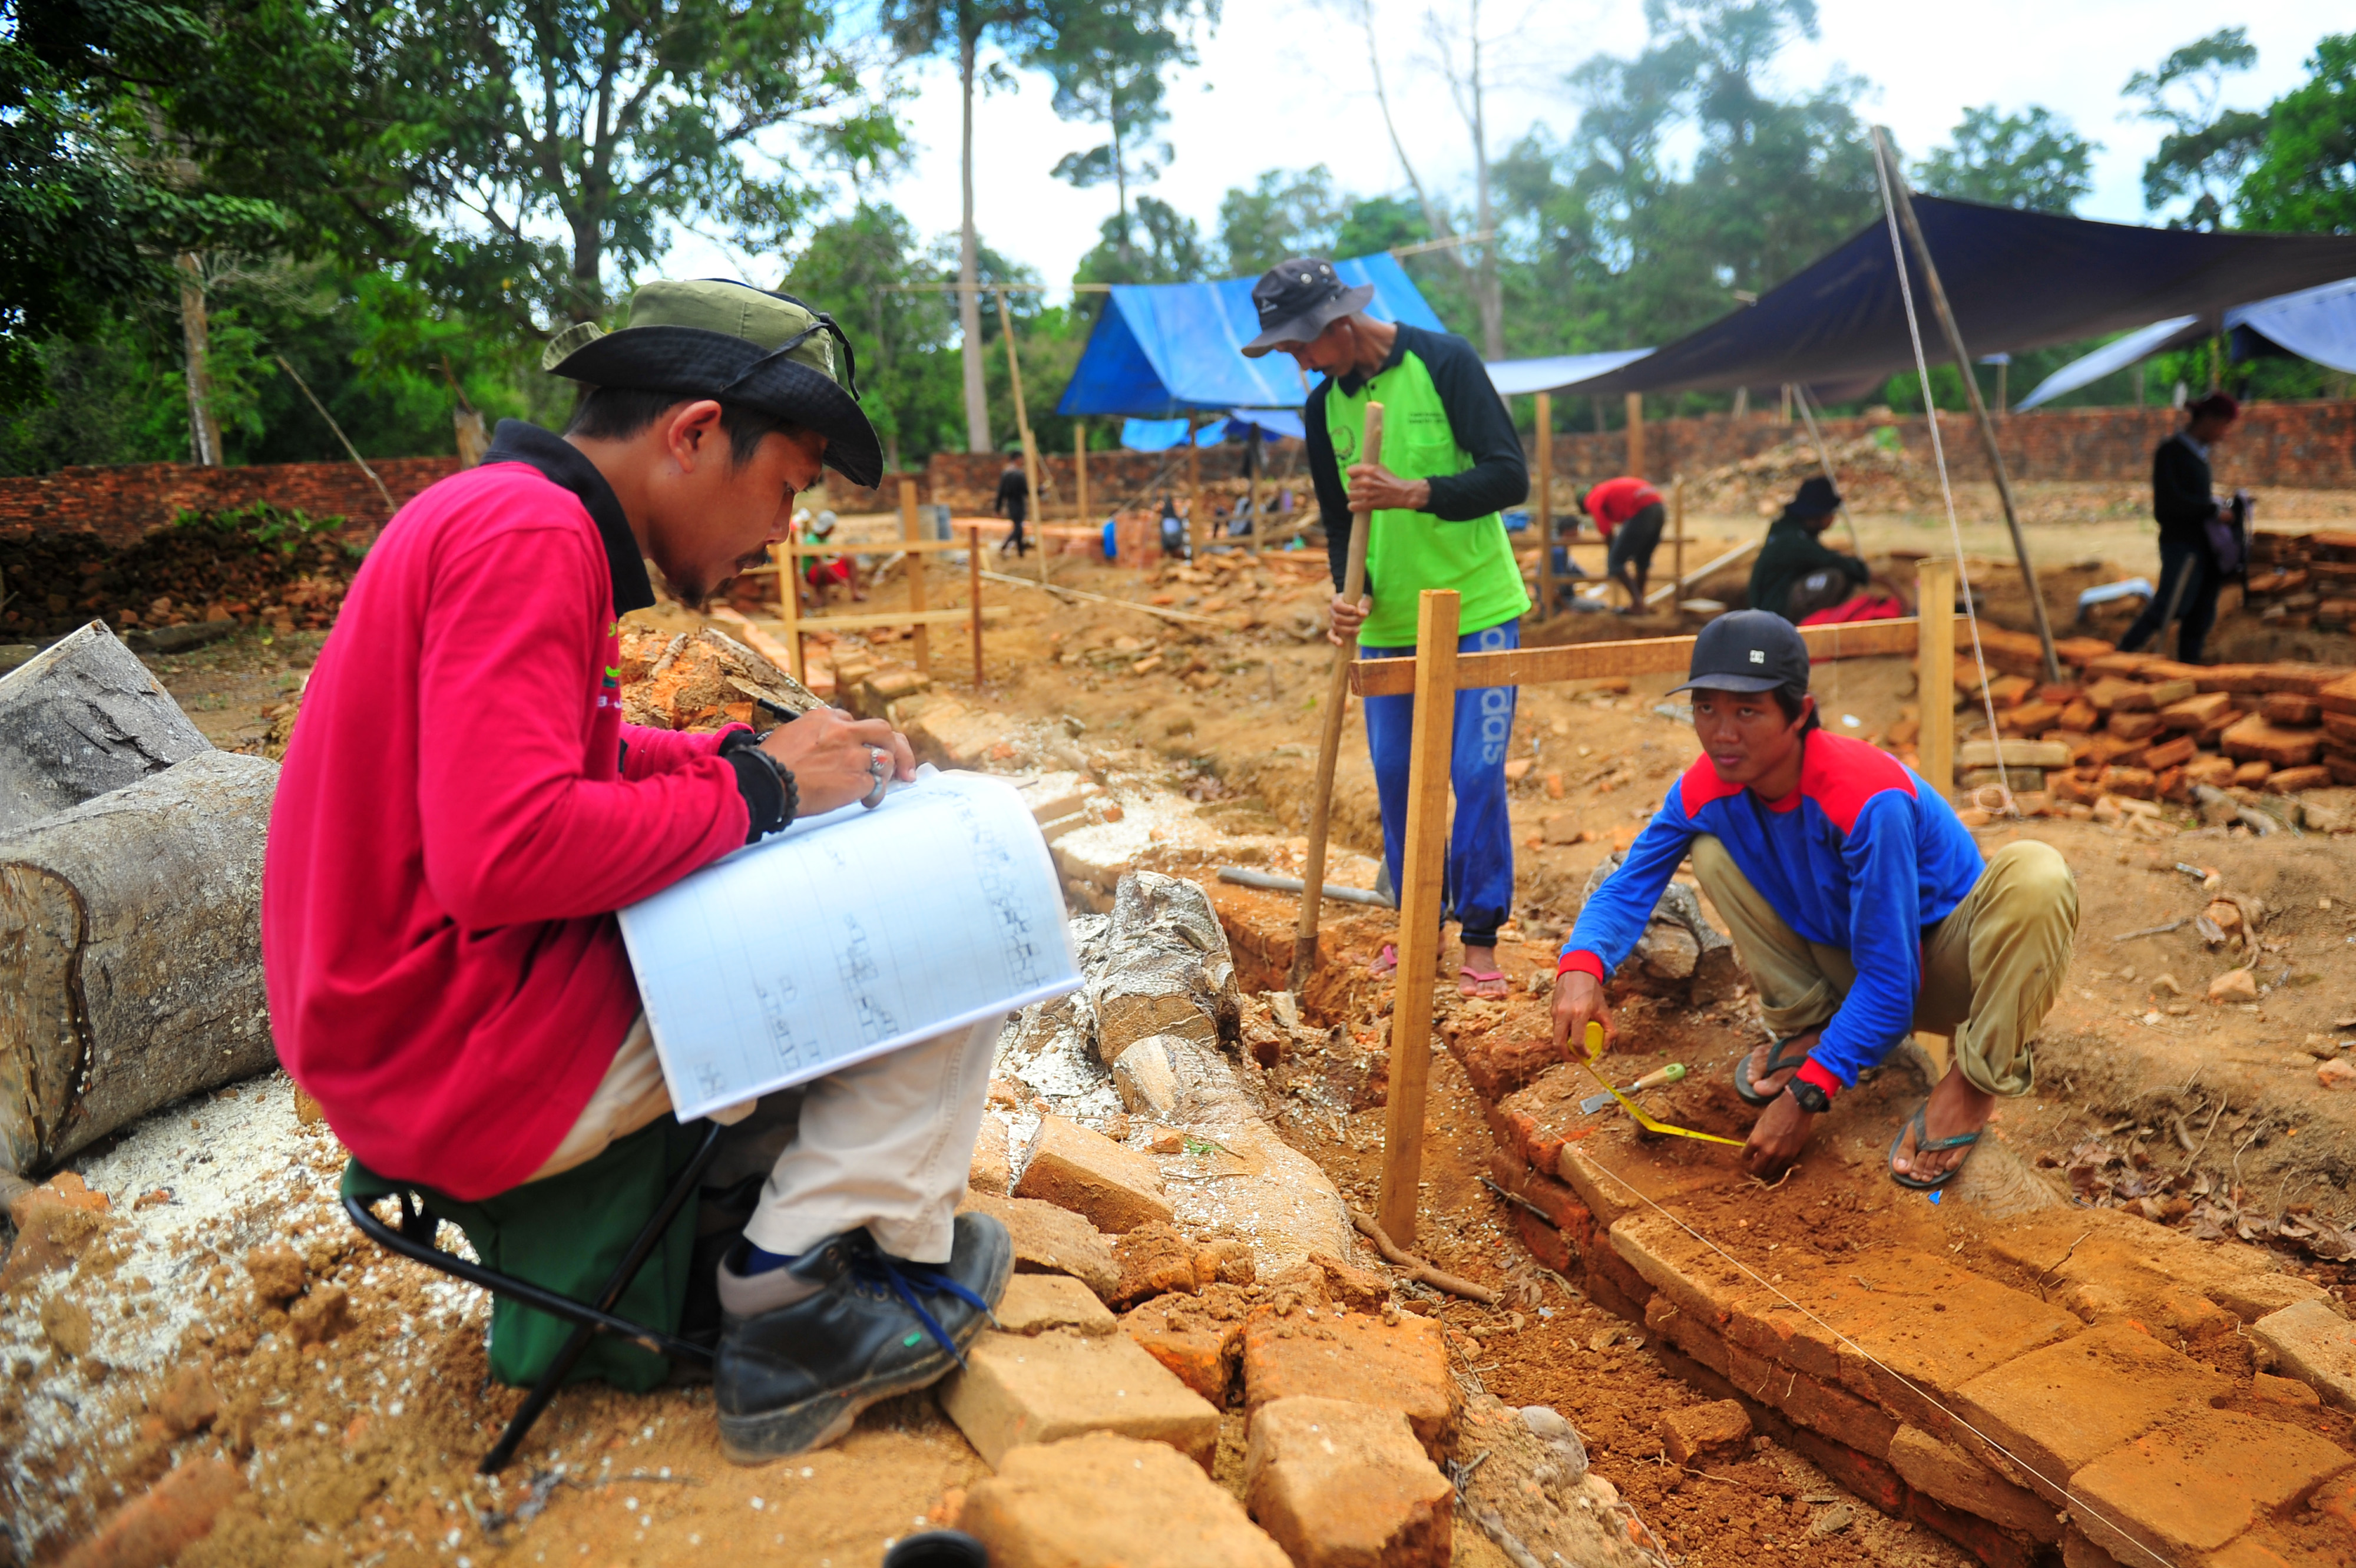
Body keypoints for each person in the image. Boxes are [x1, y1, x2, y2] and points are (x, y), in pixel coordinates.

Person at [263, 279, 1010, 1464]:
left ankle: (763, 1212)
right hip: (448, 1047)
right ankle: (794, 1293)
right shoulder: (531, 537)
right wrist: (761, 794)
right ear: (696, 433)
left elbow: (572, 759)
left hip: (406, 1019)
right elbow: (501, 850)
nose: (781, 531)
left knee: (821, 871)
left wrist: (741, 753)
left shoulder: (499, 512)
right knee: (961, 910)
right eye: (785, 489)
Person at [1548, 611, 2078, 1188]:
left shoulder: (1864, 797)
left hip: (1948, 970)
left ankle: (1974, 1081)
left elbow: (1894, 982)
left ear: (1798, 713)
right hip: (1851, 960)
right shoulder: (1709, 784)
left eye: (1747, 711)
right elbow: (1631, 882)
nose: (1722, 733)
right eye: (1707, 708)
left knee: (2037, 874)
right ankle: (1813, 1027)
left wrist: (1807, 1094)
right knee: (1710, 849)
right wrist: (1580, 966)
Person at [1242, 256, 1529, 998]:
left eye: (1300, 346)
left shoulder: (1444, 361)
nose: (1297, 363)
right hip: (1390, 621)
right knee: (1400, 776)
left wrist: (1417, 492)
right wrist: (1349, 591)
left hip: (1478, 609)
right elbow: (1342, 525)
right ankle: (1414, 922)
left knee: (1473, 771)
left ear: (1337, 325)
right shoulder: (1322, 410)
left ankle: (1479, 935)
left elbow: (1508, 475)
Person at [2117, 392, 2241, 664]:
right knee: (2171, 604)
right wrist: (2211, 510)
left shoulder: (2199, 456)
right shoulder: (2171, 453)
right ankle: (2120, 656)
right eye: (2225, 425)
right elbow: (2167, 506)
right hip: (2180, 545)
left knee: (2200, 612)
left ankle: (2188, 668)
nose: (2225, 433)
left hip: (2204, 545)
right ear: (2209, 420)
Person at [1748, 476, 1868, 623]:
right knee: (1835, 578)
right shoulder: (1794, 540)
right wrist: (1860, 569)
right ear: (1818, 513)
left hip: (1767, 606)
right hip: (1774, 610)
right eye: (1830, 512)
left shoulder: (1786, 529)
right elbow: (1833, 561)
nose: (1832, 518)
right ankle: (1807, 625)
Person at [1581, 474, 1666, 611]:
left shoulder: (1592, 499)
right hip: (1659, 508)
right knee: (1642, 560)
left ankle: (1638, 603)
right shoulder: (1605, 489)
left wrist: (1613, 553)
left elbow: (1606, 531)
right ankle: (1640, 603)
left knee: (1615, 563)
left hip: (1641, 510)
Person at [993, 456, 1030, 556]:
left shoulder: (1006, 473)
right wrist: (1039, 491)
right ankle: (1004, 546)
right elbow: (1026, 491)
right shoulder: (1019, 474)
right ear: (1018, 459)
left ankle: (1021, 552)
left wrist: (998, 509)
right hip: (1019, 503)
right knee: (1018, 528)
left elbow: (1001, 493)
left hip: (1011, 504)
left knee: (1018, 526)